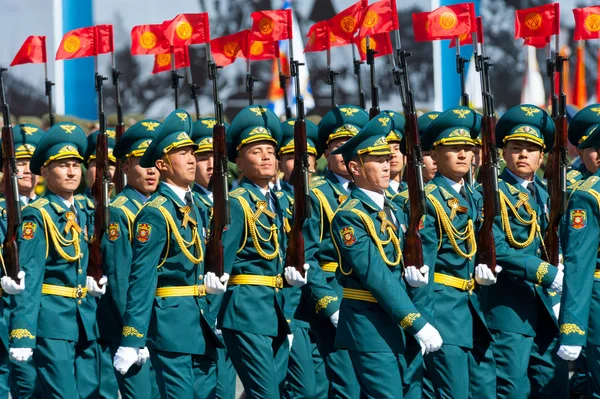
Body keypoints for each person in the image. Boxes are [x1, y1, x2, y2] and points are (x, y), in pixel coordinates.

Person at [113, 109, 226, 398]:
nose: (191, 159)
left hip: (203, 325)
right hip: (171, 329)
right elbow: (141, 279)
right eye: (181, 153)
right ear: (162, 164)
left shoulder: (197, 207)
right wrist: (132, 338)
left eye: (192, 152)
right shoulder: (155, 213)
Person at [330, 113, 443, 398]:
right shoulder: (350, 216)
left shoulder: (395, 207)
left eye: (387, 157)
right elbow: (375, 276)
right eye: (376, 160)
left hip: (401, 319)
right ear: (354, 167)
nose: (386, 163)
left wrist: (417, 276)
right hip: (370, 326)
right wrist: (416, 322)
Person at [405, 106, 498, 399]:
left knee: (485, 391)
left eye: (467, 149)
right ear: (435, 155)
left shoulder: (477, 197)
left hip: (476, 312)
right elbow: (423, 267)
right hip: (444, 313)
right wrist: (423, 321)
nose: (462, 155)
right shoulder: (428, 201)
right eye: (453, 149)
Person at [9, 122, 107, 398]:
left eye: (76, 164)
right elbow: (30, 278)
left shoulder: (85, 212)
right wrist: (22, 332)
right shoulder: (37, 216)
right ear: (44, 171)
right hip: (51, 322)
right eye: (63, 165)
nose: (72, 171)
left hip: (85, 320)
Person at [219, 105, 311, 398]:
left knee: (287, 389)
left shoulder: (282, 202)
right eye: (256, 151)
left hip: (277, 309)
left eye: (270, 150)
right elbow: (220, 261)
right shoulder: (235, 202)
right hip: (246, 310)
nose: (267, 156)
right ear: (239, 162)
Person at [479, 104, 567, 398]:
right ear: (503, 153)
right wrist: (546, 273)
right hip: (510, 308)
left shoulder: (549, 194)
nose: (523, 155)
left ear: (542, 156)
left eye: (531, 149)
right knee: (512, 388)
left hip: (548, 307)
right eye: (516, 148)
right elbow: (497, 248)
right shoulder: (490, 192)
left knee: (554, 387)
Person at [299, 105, 369, 399]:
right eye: (339, 148)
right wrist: (330, 305)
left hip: (373, 299)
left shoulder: (373, 194)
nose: (346, 154)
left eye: (352, 146)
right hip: (337, 294)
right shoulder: (317, 194)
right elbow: (307, 257)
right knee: (347, 386)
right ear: (326, 154)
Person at [100, 119, 162, 398]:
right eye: (142, 162)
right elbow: (121, 277)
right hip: (133, 326)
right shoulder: (120, 212)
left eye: (155, 162)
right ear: (125, 168)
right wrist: (134, 335)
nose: (151, 170)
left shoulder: (163, 208)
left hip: (164, 322)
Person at [276, 118, 329, 399]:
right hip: (290, 309)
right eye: (292, 158)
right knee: (299, 388)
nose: (302, 164)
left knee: (321, 387)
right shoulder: (275, 202)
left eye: (308, 157)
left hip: (317, 308)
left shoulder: (321, 198)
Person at [190, 116, 237, 399]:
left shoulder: (235, 202)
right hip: (198, 314)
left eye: (217, 157)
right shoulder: (187, 205)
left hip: (229, 313)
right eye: (203, 157)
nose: (211, 165)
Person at [557, 104, 600, 398]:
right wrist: (572, 327)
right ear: (581, 152)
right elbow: (579, 262)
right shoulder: (587, 195)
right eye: (594, 147)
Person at [382, 110, 407, 197]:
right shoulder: (379, 193)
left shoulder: (410, 190)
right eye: (387, 149)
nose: (392, 154)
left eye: (397, 148)